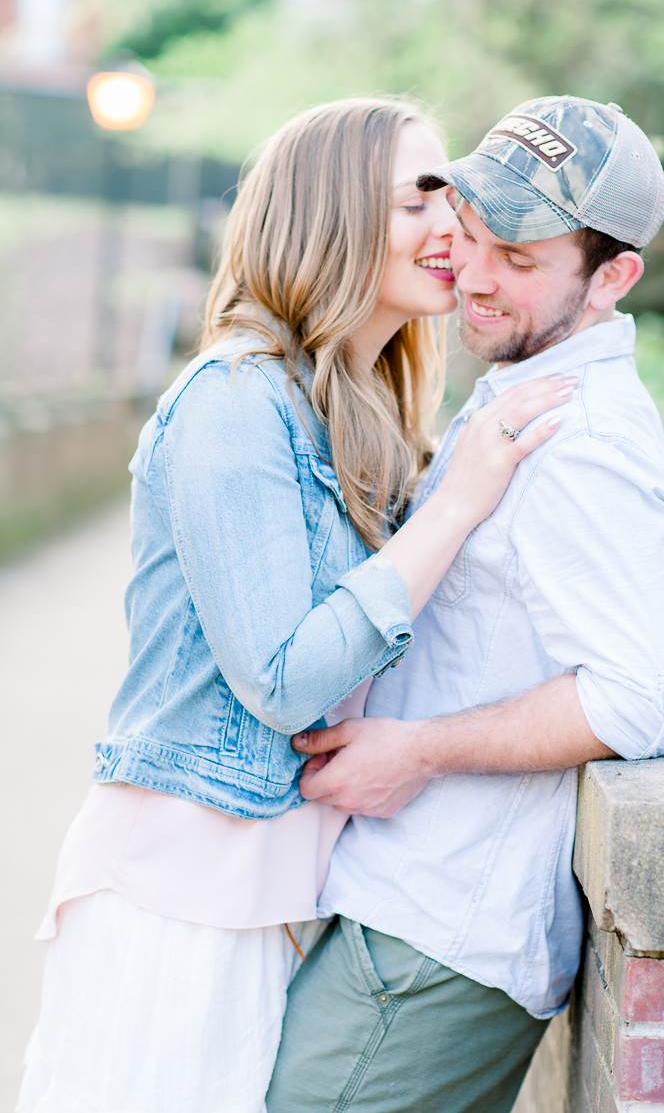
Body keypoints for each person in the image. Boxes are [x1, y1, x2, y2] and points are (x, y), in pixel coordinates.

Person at [17, 97, 576, 1113]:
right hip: (176, 902)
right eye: (418, 201)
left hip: (273, 898)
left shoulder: (349, 417)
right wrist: (450, 510)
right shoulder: (234, 401)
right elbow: (282, 677)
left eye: (452, 201)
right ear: (328, 213)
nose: (452, 228)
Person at [267, 96, 664, 1113]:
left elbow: (645, 696)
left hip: (437, 933)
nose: (471, 272)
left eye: (519, 255)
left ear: (612, 277)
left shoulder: (583, 440)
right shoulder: (524, 384)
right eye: (471, 232)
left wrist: (415, 747)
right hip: (406, 906)